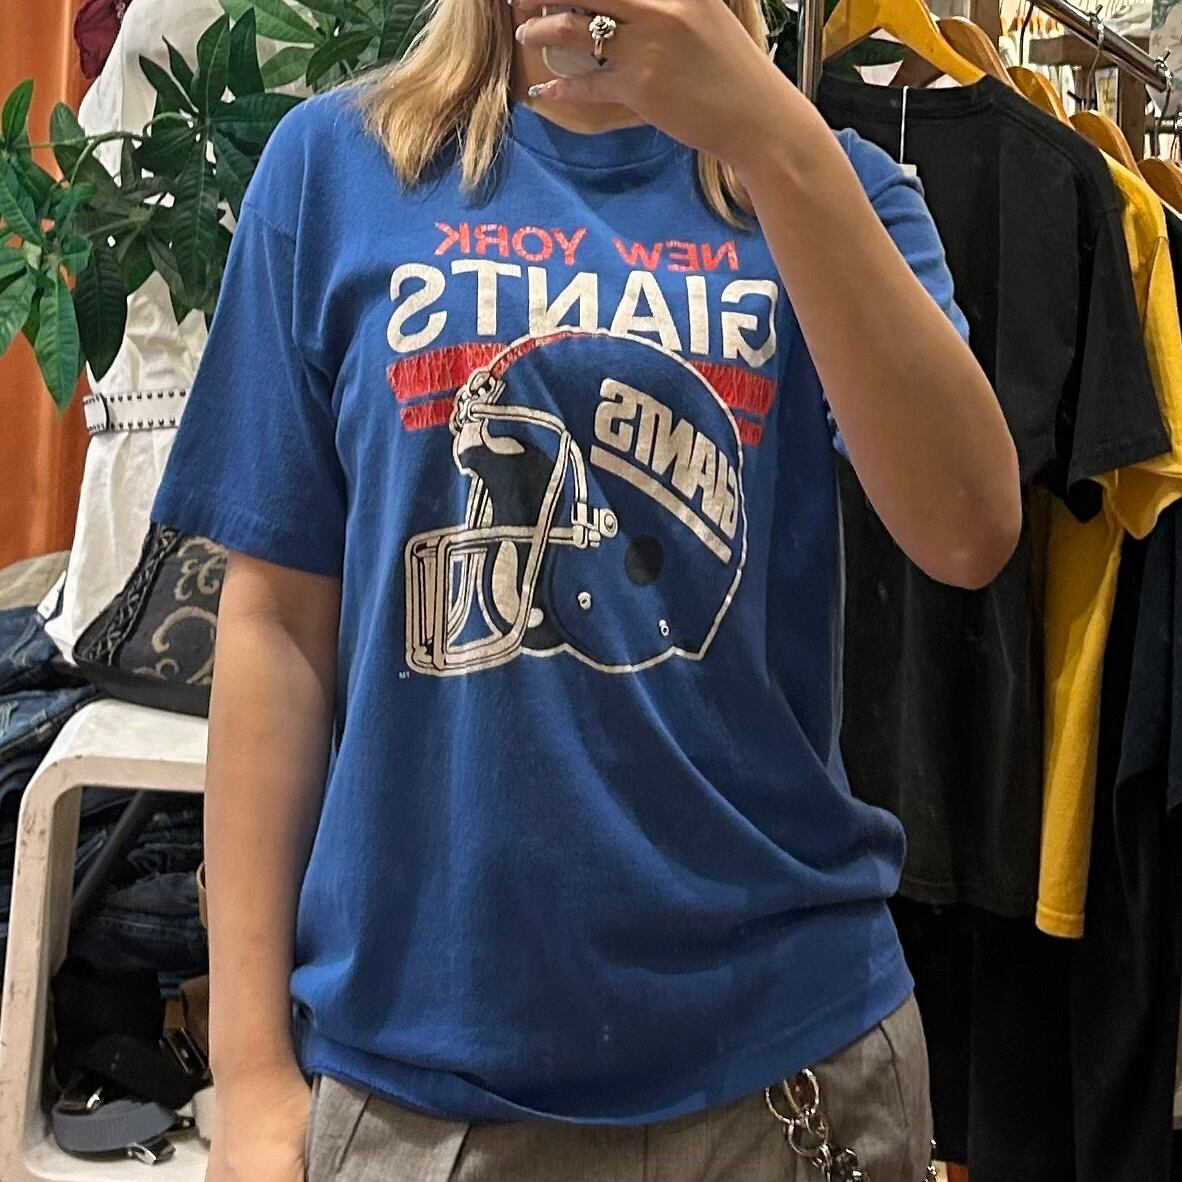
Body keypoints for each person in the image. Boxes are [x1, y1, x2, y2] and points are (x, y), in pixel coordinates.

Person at [150, 0, 1021, 1176]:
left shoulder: (832, 181)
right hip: (422, 1087)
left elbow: (969, 530)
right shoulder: (337, 168)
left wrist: (772, 136)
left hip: (790, 1067)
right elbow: (275, 629)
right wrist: (251, 1073)